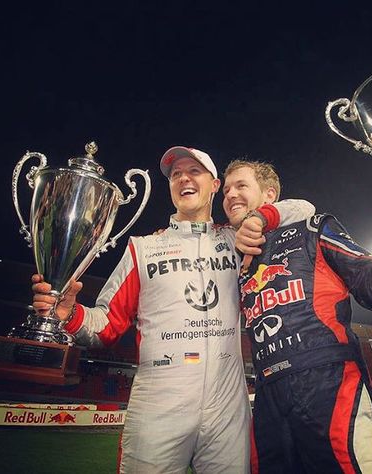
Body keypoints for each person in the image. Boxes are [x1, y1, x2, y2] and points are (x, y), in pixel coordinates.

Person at [31, 146, 313, 474]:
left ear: (214, 185)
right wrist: (69, 313)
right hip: (158, 405)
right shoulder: (144, 247)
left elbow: (304, 209)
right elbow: (105, 325)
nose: (183, 178)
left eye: (194, 172)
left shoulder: (239, 240)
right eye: (176, 174)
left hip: (227, 408)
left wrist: (265, 216)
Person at [222, 159, 372, 474]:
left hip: (331, 386)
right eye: (226, 189)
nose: (230, 195)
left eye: (241, 186)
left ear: (269, 195)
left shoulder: (314, 228)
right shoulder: (234, 261)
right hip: (268, 399)